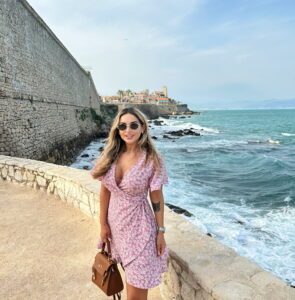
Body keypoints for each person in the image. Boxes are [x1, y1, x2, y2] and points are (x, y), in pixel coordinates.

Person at [90, 107, 169, 300]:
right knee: (126, 279)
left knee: (135, 293)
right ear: (117, 130)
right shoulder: (111, 155)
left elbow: (156, 197)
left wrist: (160, 231)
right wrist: (103, 225)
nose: (128, 130)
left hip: (140, 230)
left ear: (143, 127)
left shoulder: (152, 159)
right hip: (117, 229)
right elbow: (105, 191)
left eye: (133, 125)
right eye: (122, 126)